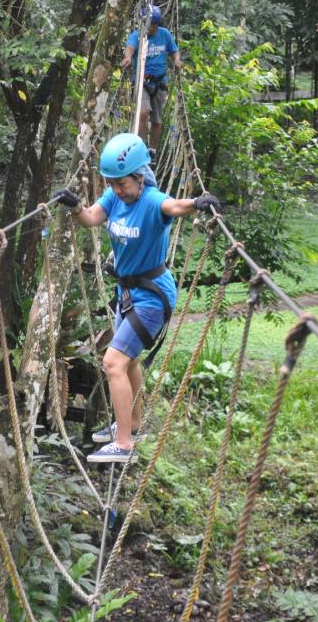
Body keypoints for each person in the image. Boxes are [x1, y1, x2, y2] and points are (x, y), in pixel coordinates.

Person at [54, 132, 218, 463]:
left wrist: (197, 202)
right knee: (129, 362)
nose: (117, 189)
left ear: (140, 176)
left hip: (152, 298)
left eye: (123, 183)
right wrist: (75, 207)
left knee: (113, 362)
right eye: (112, 183)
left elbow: (174, 205)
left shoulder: (153, 199)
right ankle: (135, 425)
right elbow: (90, 219)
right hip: (127, 293)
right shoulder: (115, 199)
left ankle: (124, 445)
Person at [121, 5, 181, 150]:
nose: (151, 28)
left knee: (157, 121)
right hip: (142, 82)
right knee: (143, 112)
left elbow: (174, 50)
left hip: (160, 82)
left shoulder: (165, 34)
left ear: (157, 24)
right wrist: (128, 58)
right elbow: (130, 48)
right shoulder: (137, 35)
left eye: (153, 25)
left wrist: (176, 60)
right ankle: (142, 147)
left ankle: (152, 150)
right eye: (148, 24)